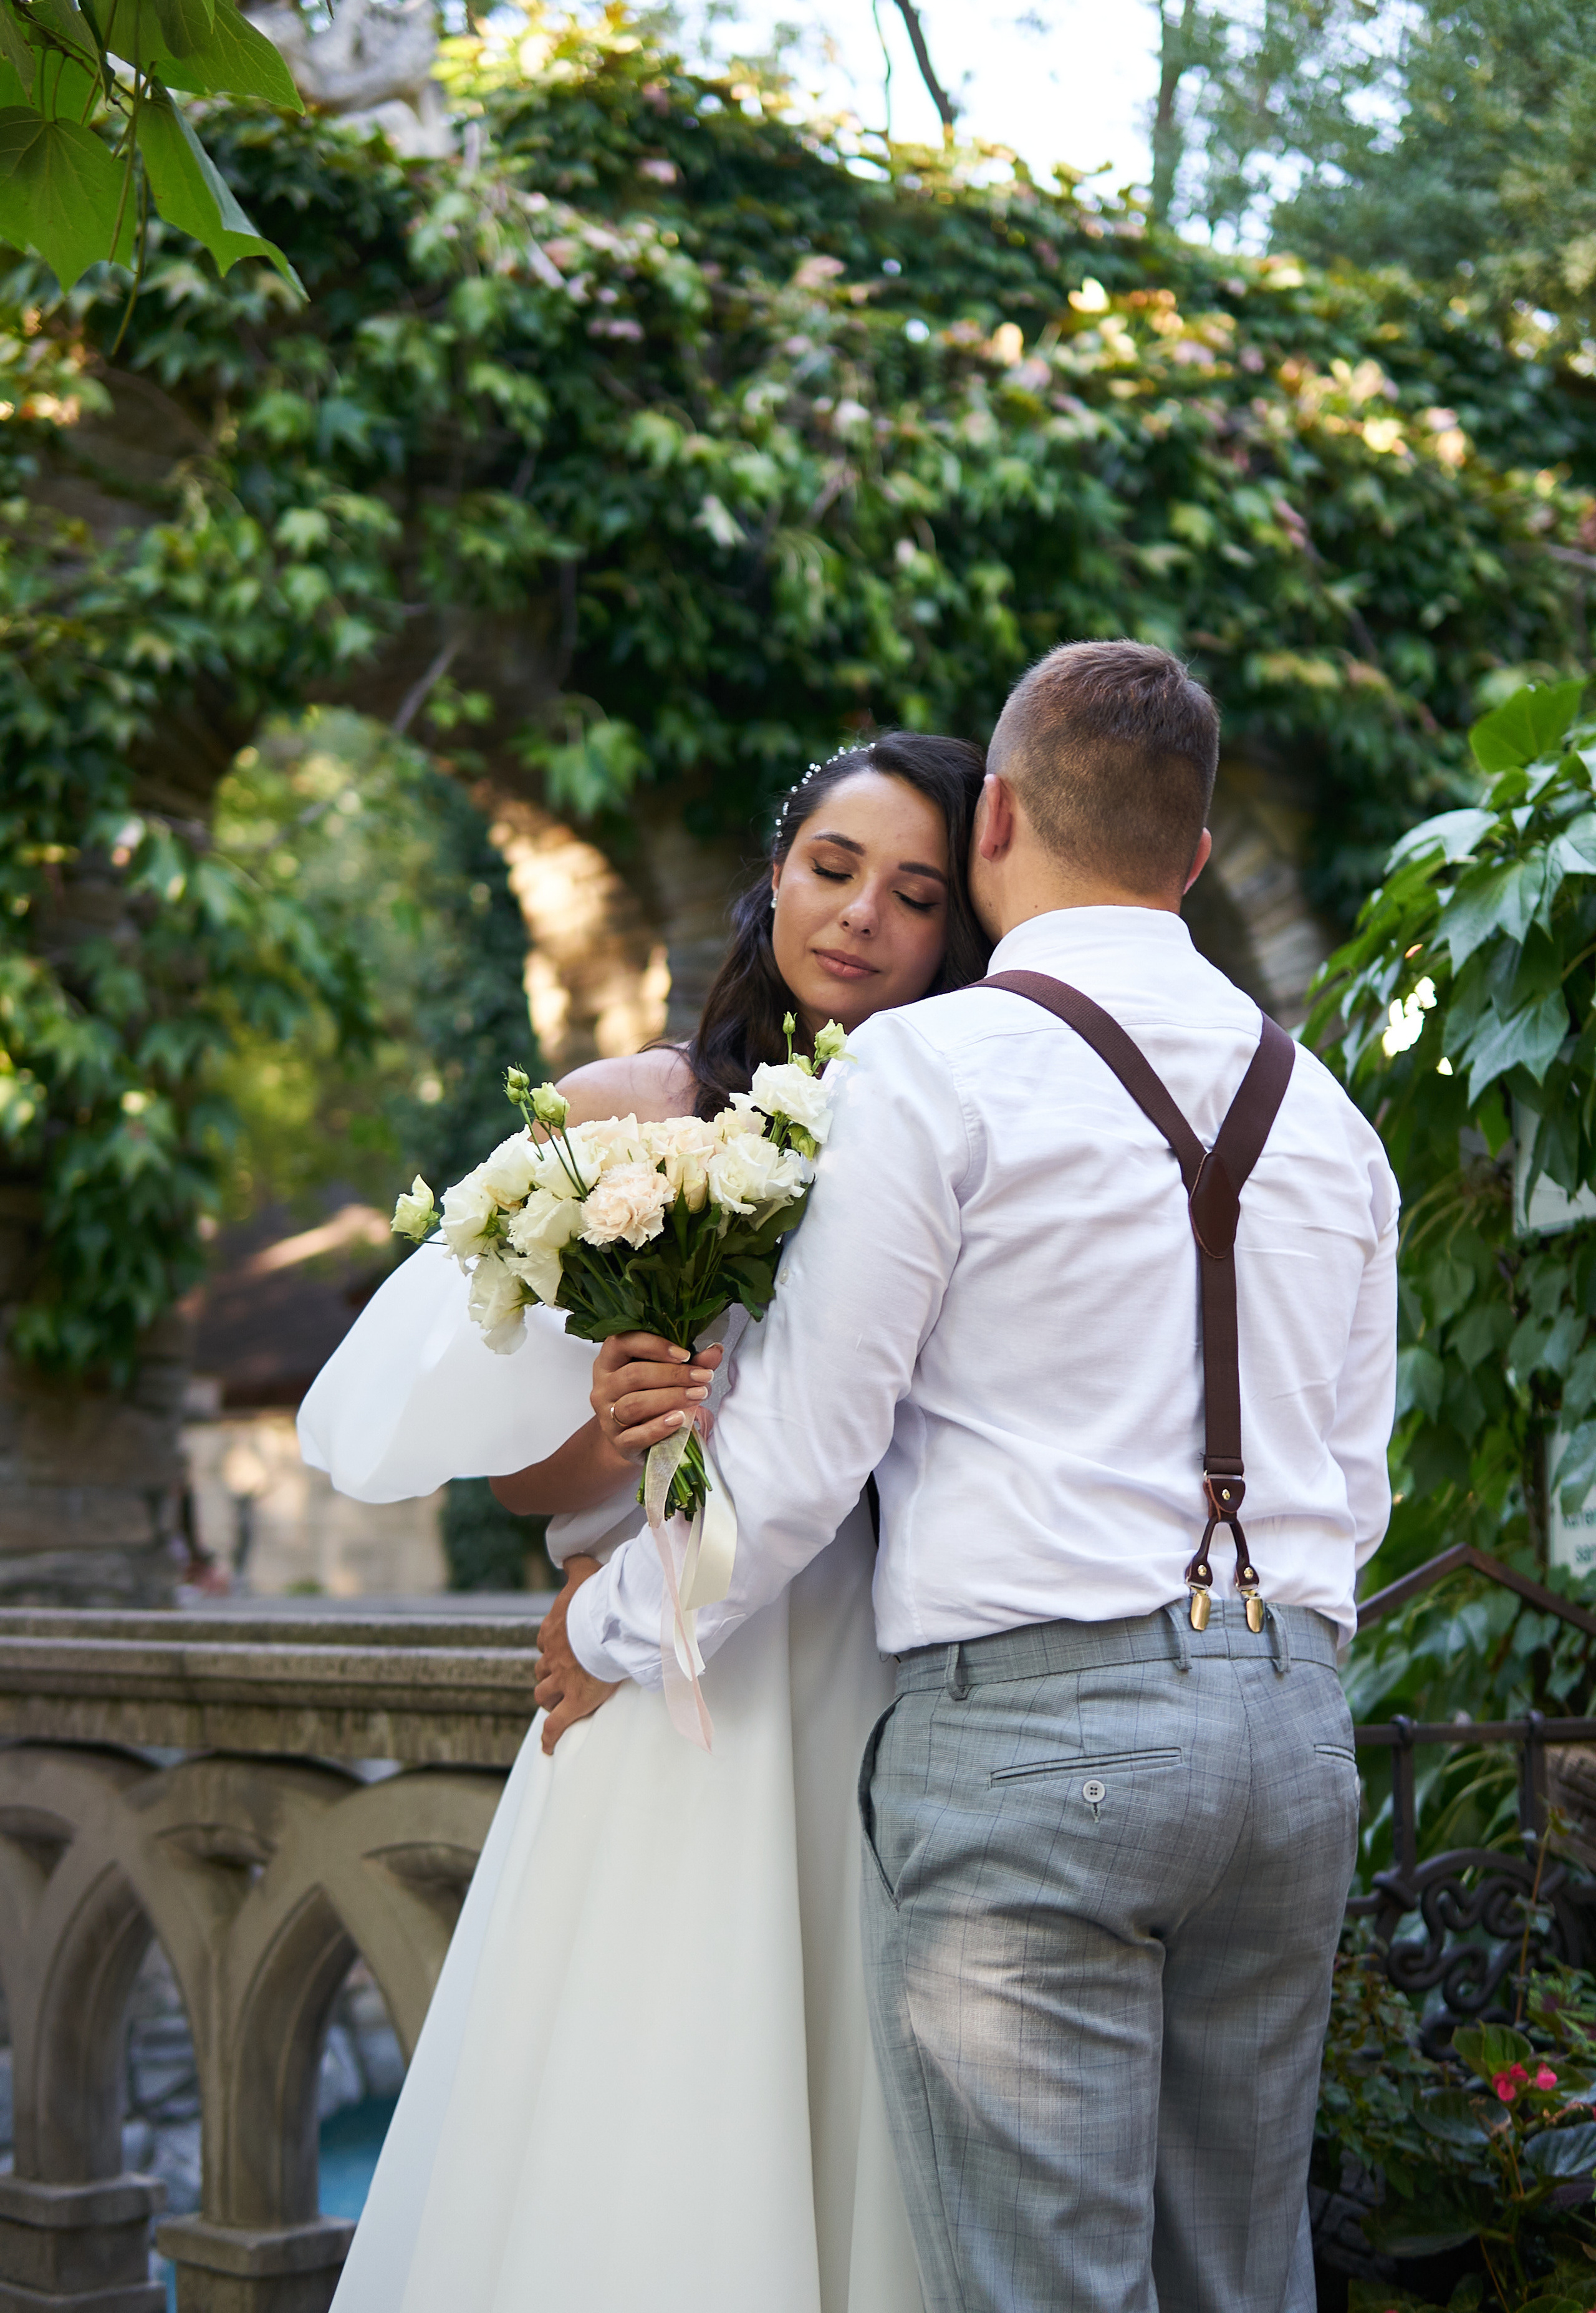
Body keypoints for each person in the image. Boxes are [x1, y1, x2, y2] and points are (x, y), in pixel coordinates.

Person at [545, 640, 1399, 2313]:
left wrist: (606, 1625)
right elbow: (1356, 1484)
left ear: (995, 816)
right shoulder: (1329, 1116)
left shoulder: (928, 1078)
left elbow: (794, 1462)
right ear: (1196, 855)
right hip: (1294, 1731)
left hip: (1039, 1754)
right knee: (1246, 2280)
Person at [299, 732, 990, 2313]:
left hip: (873, 1671)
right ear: (773, 875)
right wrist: (610, 1414)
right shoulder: (641, 1111)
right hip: (654, 1668)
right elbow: (514, 1481)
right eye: (832, 869)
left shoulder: (949, 1130)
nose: (861, 919)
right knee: (646, 2089)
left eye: (912, 894)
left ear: (952, 934)